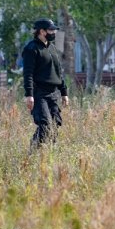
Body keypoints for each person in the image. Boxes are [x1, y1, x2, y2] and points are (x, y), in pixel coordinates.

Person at [22, 18, 69, 148]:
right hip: (39, 94)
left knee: (55, 124)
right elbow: (28, 74)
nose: (54, 32)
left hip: (53, 93)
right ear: (42, 31)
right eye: (51, 30)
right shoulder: (31, 49)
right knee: (45, 124)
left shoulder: (52, 47)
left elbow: (58, 71)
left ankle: (49, 154)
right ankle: (33, 153)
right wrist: (29, 95)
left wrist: (64, 92)